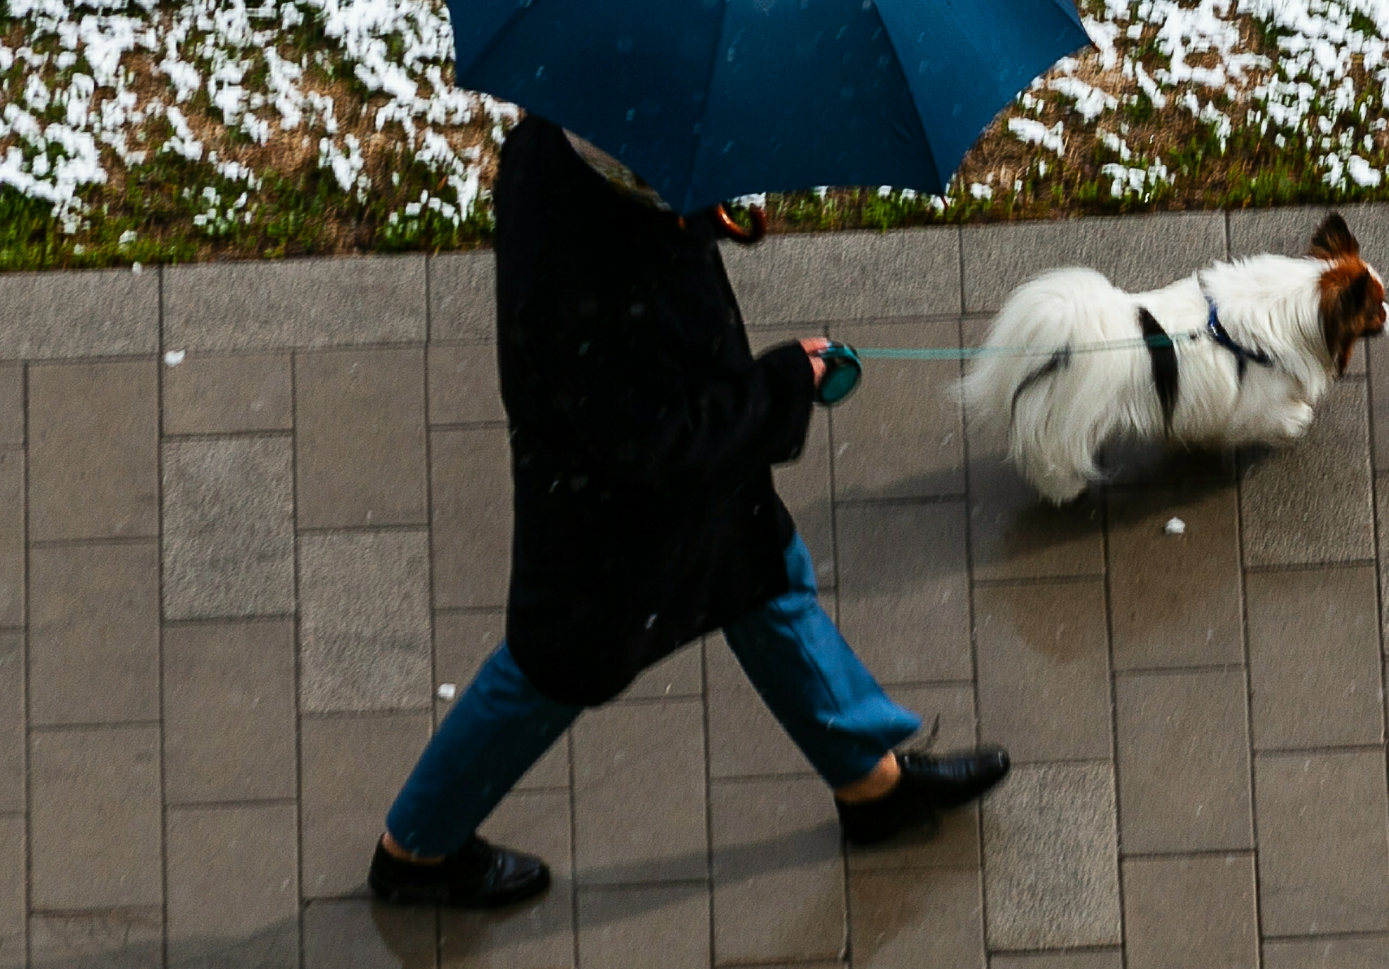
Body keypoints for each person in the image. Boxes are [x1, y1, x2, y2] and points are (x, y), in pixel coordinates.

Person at [367, 115, 1009, 907]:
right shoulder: (593, 281)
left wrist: (699, 214)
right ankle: (416, 850)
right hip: (610, 525)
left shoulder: (565, 148)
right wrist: (784, 385)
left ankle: (869, 785)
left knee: (769, 584)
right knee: (551, 668)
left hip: (659, 491)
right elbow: (658, 443)